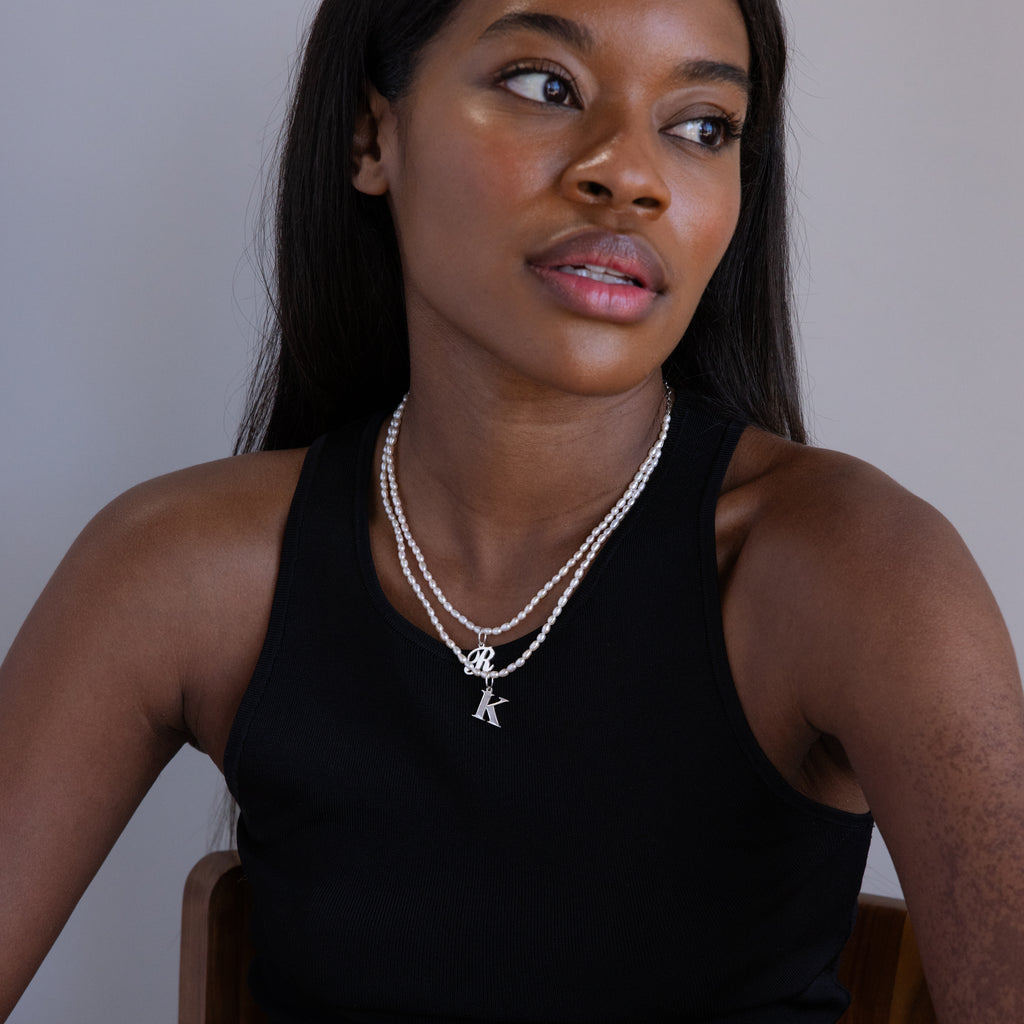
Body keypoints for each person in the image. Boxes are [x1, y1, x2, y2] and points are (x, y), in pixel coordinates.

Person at [1, 0, 1022, 1021]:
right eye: (545, 86)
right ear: (371, 137)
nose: (629, 173)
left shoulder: (860, 576)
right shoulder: (186, 573)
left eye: (701, 125)